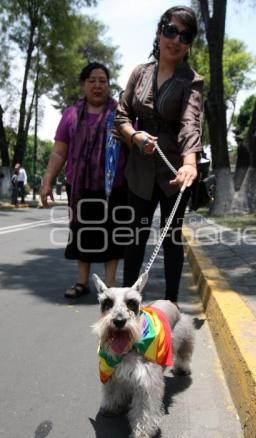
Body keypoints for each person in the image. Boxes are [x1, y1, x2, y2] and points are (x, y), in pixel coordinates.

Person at [115, 6, 203, 304]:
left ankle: (171, 306)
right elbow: (121, 115)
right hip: (139, 169)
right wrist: (134, 136)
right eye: (171, 31)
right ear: (159, 31)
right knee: (135, 238)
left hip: (174, 173)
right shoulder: (140, 72)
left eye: (185, 35)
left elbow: (191, 122)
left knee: (171, 238)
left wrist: (190, 163)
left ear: (189, 43)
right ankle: (126, 306)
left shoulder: (191, 80)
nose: (176, 40)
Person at [41, 62, 128, 300]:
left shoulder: (121, 113)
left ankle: (110, 287)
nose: (98, 85)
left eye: (103, 80)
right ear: (83, 85)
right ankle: (82, 282)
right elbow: (59, 151)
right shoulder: (70, 115)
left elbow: (135, 145)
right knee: (81, 232)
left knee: (112, 234)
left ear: (109, 85)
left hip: (114, 186)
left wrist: (126, 135)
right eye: (92, 80)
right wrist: (48, 178)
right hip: (79, 186)